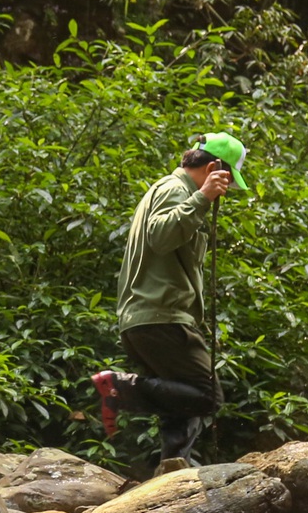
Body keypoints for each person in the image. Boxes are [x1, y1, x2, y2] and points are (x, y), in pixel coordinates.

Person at [90, 132, 244, 465]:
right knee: (206, 395)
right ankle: (117, 387)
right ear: (215, 167)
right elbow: (160, 236)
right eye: (228, 183)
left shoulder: (172, 192)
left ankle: (174, 467)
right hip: (161, 316)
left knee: (180, 399)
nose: (225, 193)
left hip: (152, 317)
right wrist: (202, 198)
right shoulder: (175, 190)